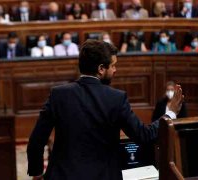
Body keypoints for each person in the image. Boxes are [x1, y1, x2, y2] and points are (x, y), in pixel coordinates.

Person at [27, 39, 184, 180]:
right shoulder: (116, 98)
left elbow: (36, 140)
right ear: (101, 69)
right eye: (113, 65)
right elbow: (144, 135)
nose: (115, 70)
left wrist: (37, 173)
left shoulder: (58, 95)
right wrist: (171, 113)